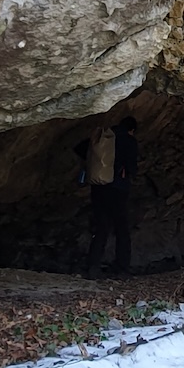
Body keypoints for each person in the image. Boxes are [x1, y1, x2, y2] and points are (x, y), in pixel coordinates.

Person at [75, 115, 139, 278]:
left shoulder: (103, 137)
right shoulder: (129, 141)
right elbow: (132, 168)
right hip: (118, 189)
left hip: (98, 188)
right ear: (132, 130)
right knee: (122, 229)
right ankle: (122, 267)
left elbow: (79, 148)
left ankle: (93, 266)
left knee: (101, 227)